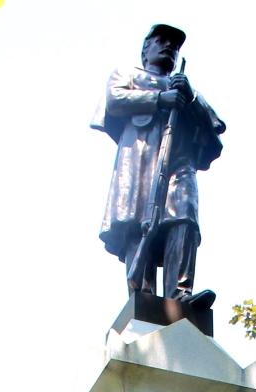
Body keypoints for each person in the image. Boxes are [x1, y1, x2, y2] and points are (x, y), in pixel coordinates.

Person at [92, 22, 225, 309]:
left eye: (175, 46)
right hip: (140, 160)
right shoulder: (127, 74)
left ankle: (180, 295)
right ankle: (144, 296)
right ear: (146, 48)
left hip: (178, 163)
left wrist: (188, 98)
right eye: (162, 41)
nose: (169, 47)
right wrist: (159, 99)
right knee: (138, 221)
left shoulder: (185, 88)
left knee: (184, 217)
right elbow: (114, 100)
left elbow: (215, 125)